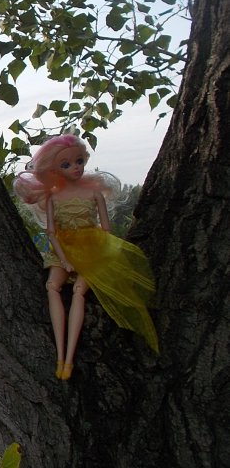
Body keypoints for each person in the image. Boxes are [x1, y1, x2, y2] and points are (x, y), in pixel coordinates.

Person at [14, 134, 159, 381]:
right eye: (67, 164)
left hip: (92, 249)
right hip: (63, 251)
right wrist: (65, 259)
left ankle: (68, 358)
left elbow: (105, 230)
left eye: (79, 161)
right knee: (52, 286)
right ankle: (60, 353)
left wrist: (98, 254)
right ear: (53, 169)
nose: (76, 168)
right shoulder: (53, 198)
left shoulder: (94, 194)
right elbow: (52, 233)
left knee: (80, 290)